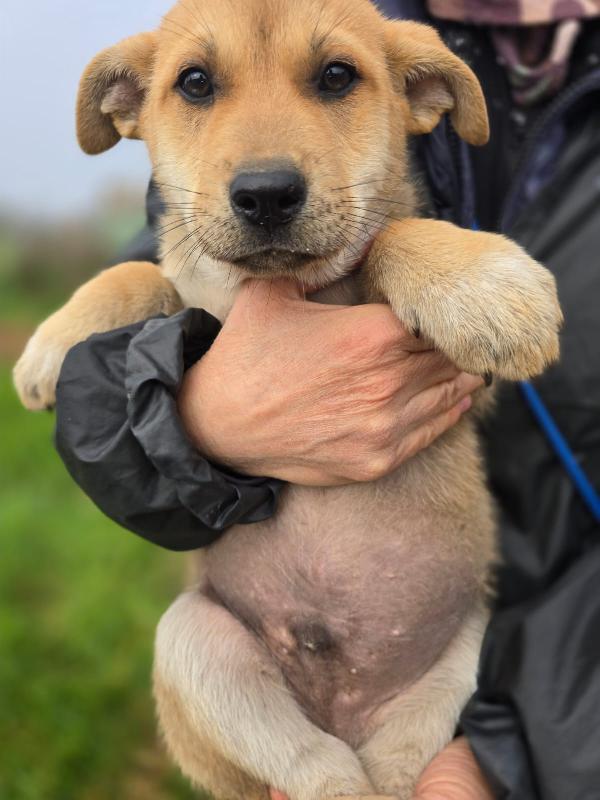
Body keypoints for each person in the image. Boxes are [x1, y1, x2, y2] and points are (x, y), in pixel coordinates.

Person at [54, 1, 600, 797]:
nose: (266, 165)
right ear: (128, 103)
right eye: (199, 84)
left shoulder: (392, 47)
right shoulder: (323, 9)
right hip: (260, 680)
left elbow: (389, 238)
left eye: (335, 78)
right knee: (188, 638)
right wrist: (202, 416)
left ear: (427, 94)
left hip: (481, 673)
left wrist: (506, 757)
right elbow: (120, 360)